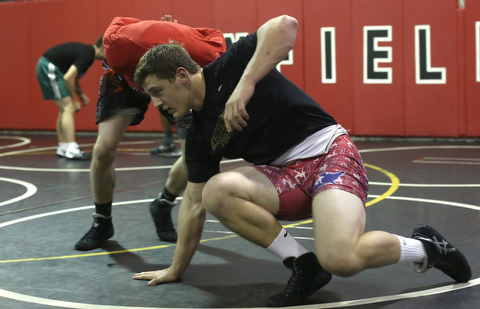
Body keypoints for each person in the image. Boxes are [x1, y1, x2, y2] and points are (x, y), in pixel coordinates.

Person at [132, 15, 472, 307]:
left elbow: (285, 25)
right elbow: (192, 204)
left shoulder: (229, 68)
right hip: (284, 176)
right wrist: (176, 269)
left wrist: (246, 84)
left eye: (157, 91)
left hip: (329, 154)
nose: (157, 104)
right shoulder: (198, 135)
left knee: (342, 259)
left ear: (180, 75)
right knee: (214, 192)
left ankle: (427, 247)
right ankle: (302, 263)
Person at [74, 15, 226, 250]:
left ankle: (162, 203)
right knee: (103, 150)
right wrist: (149, 24)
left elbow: (214, 38)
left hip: (172, 80)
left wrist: (181, 29)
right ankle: (102, 222)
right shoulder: (119, 46)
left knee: (192, 157)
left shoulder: (199, 53)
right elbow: (120, 21)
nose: (155, 103)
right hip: (125, 80)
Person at [36, 36, 105, 160]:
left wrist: (81, 94)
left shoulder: (87, 53)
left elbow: (74, 76)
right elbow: (68, 77)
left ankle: (63, 147)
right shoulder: (87, 55)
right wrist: (74, 100)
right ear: (102, 48)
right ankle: (72, 149)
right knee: (68, 107)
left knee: (64, 109)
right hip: (49, 67)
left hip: (48, 66)